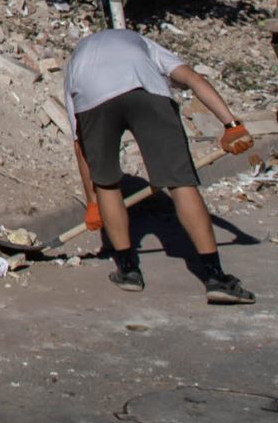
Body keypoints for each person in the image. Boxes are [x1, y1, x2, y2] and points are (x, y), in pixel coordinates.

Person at [64, 27, 254, 303]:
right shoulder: (143, 44)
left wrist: (92, 202)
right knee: (180, 182)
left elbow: (80, 143)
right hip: (146, 90)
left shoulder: (75, 62)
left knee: (106, 183)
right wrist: (232, 125)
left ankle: (128, 270)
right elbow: (192, 78)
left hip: (91, 96)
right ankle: (215, 277)